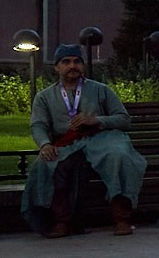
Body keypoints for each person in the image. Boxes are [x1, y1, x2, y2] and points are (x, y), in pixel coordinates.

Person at [23, 46, 146, 238]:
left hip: (101, 139)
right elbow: (38, 125)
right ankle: (62, 222)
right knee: (47, 164)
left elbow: (124, 119)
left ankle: (121, 219)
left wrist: (97, 120)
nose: (73, 66)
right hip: (68, 143)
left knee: (119, 156)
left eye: (77, 61)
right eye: (66, 62)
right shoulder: (44, 97)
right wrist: (45, 144)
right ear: (56, 67)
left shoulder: (101, 90)